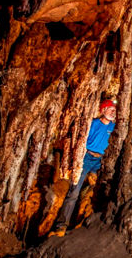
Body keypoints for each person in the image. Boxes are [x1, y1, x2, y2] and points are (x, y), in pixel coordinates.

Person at [49, 99, 116, 237]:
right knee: (74, 192)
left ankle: (90, 224)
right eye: (110, 109)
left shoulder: (114, 128)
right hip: (86, 157)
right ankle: (61, 226)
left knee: (100, 191)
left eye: (114, 109)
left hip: (101, 161)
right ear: (103, 110)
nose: (113, 111)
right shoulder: (93, 124)